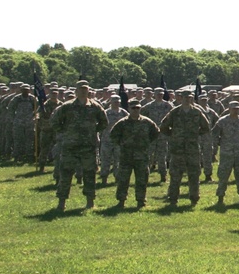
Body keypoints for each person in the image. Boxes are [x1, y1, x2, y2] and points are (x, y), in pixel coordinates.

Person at [50, 81, 108, 211]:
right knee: (65, 173)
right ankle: (61, 202)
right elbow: (54, 121)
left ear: (88, 91)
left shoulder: (95, 106)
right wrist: (65, 132)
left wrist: (93, 131)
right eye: (80, 89)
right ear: (76, 91)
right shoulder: (67, 106)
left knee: (89, 174)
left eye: (85, 89)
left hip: (88, 146)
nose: (83, 91)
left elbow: (104, 122)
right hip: (70, 146)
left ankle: (90, 201)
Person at [159, 91, 211, 206]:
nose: (187, 100)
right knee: (175, 175)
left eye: (190, 98)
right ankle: (173, 199)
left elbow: (206, 127)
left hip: (192, 149)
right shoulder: (175, 112)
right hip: (177, 149)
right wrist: (173, 135)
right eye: (185, 98)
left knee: (194, 174)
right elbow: (163, 126)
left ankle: (194, 198)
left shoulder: (197, 112)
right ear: (180, 98)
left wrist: (195, 134)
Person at [109, 101, 159, 208]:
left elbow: (155, 133)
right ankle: (121, 200)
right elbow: (113, 135)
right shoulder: (122, 123)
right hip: (126, 156)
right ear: (129, 109)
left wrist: (146, 143)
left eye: (137, 108)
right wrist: (122, 144)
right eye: (133, 108)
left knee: (142, 179)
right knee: (123, 179)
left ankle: (141, 200)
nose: (135, 110)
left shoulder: (147, 122)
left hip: (142, 156)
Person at [213, 101, 239, 205]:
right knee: (223, 176)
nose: (235, 110)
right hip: (226, 154)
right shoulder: (222, 121)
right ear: (229, 109)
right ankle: (220, 197)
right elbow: (214, 134)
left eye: (237, 109)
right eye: (233, 109)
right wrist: (220, 144)